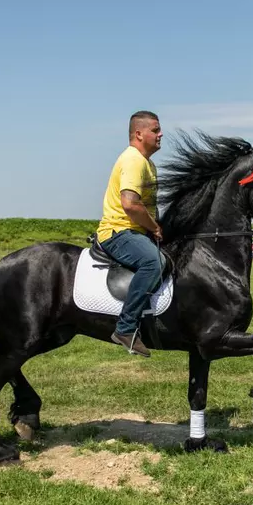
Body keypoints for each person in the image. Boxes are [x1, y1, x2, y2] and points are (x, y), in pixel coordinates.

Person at [96, 111, 164, 357]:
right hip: (118, 232)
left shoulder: (147, 163)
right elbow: (130, 204)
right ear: (139, 134)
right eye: (155, 130)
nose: (161, 134)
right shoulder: (134, 160)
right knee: (152, 261)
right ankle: (125, 328)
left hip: (134, 230)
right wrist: (154, 227)